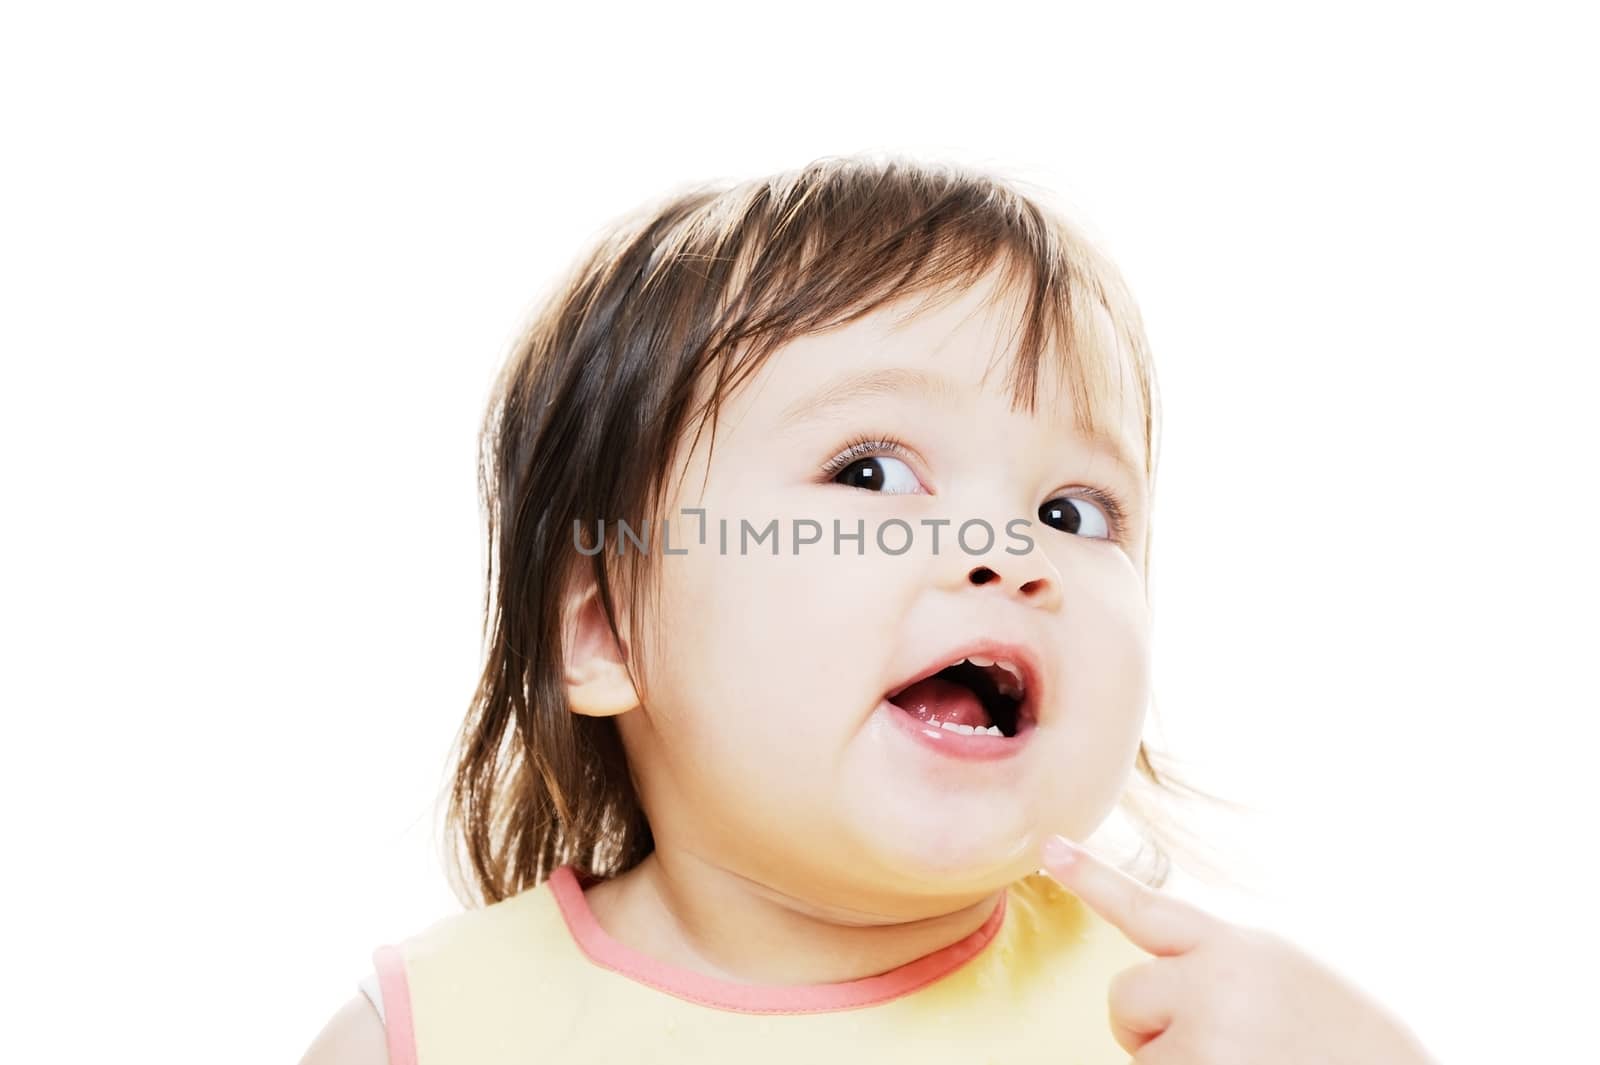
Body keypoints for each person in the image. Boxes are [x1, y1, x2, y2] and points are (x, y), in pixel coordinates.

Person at [298, 155, 1440, 1064]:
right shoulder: (432, 1034)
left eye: (1074, 510)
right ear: (604, 630)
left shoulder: (1171, 1020)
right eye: (870, 475)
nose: (1009, 553)